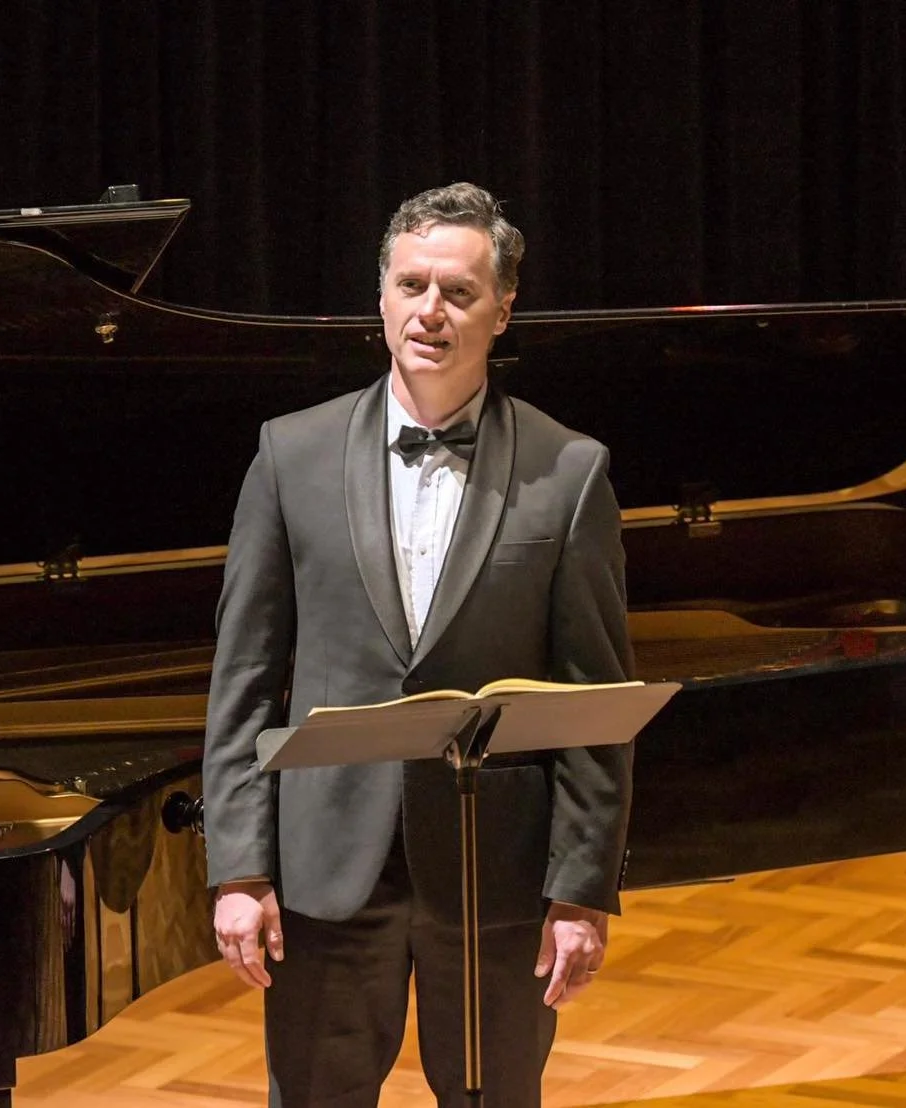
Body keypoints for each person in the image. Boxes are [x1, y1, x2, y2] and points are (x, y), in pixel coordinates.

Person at [203, 181, 634, 1108]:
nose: (429, 311)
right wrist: (240, 869)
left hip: (495, 876)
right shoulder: (292, 454)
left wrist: (582, 887)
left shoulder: (570, 471)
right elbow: (243, 681)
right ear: (382, 295)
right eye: (411, 286)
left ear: (503, 309)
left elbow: (594, 699)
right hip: (324, 870)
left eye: (458, 292)